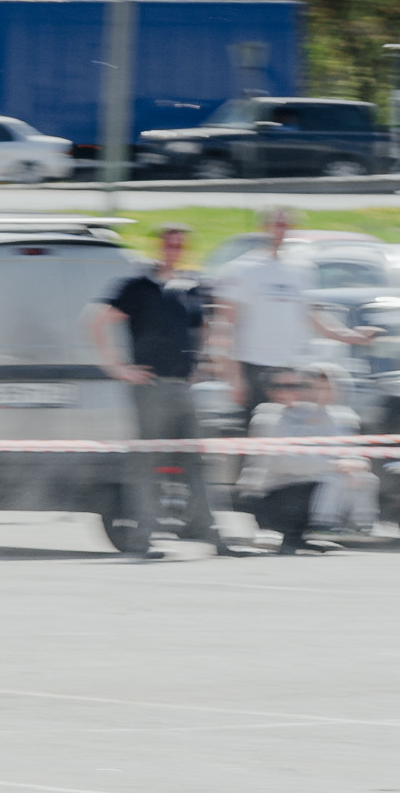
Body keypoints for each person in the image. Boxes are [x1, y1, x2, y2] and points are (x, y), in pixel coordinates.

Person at [87, 223, 227, 556]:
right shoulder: (138, 286)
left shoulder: (190, 288)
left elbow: (204, 327)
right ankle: (143, 537)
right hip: (150, 387)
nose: (173, 250)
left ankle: (211, 534)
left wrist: (202, 364)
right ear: (158, 247)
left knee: (197, 463)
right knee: (147, 464)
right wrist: (117, 368)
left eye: (180, 245)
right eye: (169, 245)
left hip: (183, 387)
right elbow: (95, 321)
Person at [210, 208, 380, 429]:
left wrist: (350, 336)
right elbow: (225, 324)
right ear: (264, 228)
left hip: (290, 368)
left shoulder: (300, 269)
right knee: (254, 433)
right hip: (253, 366)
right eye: (276, 225)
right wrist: (233, 377)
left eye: (286, 226)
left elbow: (310, 315)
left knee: (289, 433)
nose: (280, 231)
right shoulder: (242, 269)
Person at [239, 364, 365, 554]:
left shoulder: (316, 414)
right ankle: (290, 534)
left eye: (296, 386)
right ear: (269, 390)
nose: (288, 393)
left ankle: (306, 535)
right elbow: (283, 463)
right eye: (280, 387)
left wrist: (352, 464)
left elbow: (344, 451)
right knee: (315, 481)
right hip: (266, 496)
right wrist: (334, 465)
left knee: (346, 478)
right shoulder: (267, 415)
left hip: (297, 488)